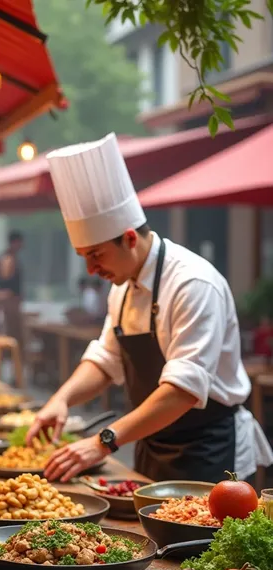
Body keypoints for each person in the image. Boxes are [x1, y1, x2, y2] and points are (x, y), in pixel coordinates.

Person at [27, 133, 273, 484]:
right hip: (151, 441)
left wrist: (103, 441)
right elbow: (105, 360)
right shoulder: (123, 287)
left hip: (210, 450)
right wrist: (61, 400)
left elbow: (183, 392)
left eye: (96, 255)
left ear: (129, 238)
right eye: (84, 258)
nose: (91, 271)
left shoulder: (192, 283)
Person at [0, 230, 24, 349]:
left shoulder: (12, 257)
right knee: (11, 334)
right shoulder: (8, 258)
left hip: (13, 301)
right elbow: (5, 277)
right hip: (9, 302)